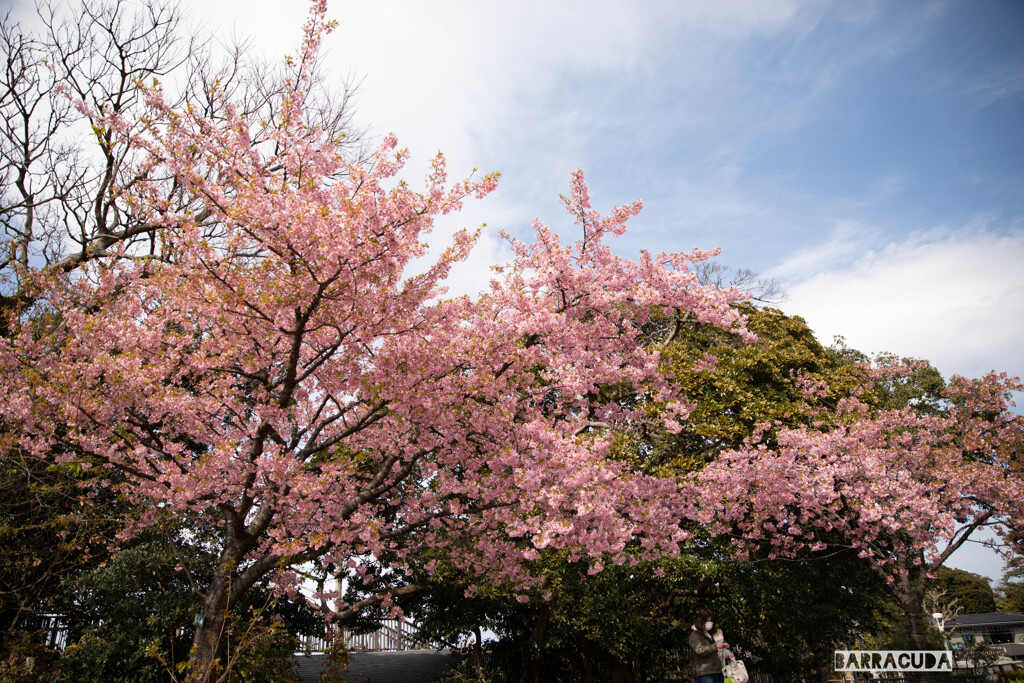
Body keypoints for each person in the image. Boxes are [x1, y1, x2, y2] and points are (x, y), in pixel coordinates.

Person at [688, 607, 731, 683]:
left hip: (720, 671)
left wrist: (726, 648)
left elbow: (722, 644)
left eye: (711, 621)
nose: (710, 624)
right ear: (701, 621)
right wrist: (716, 646)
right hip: (705, 673)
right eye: (707, 621)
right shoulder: (695, 635)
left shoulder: (716, 633)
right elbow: (699, 650)